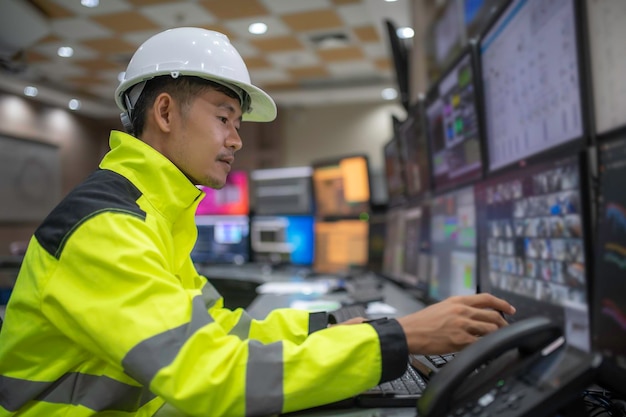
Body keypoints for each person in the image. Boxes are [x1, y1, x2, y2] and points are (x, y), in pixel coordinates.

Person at [0, 27, 515, 417]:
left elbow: (226, 331)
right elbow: (211, 375)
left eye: (237, 124)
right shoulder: (108, 227)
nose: (236, 140)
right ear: (164, 112)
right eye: (224, 118)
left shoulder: (152, 212)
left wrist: (335, 328)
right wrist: (398, 338)